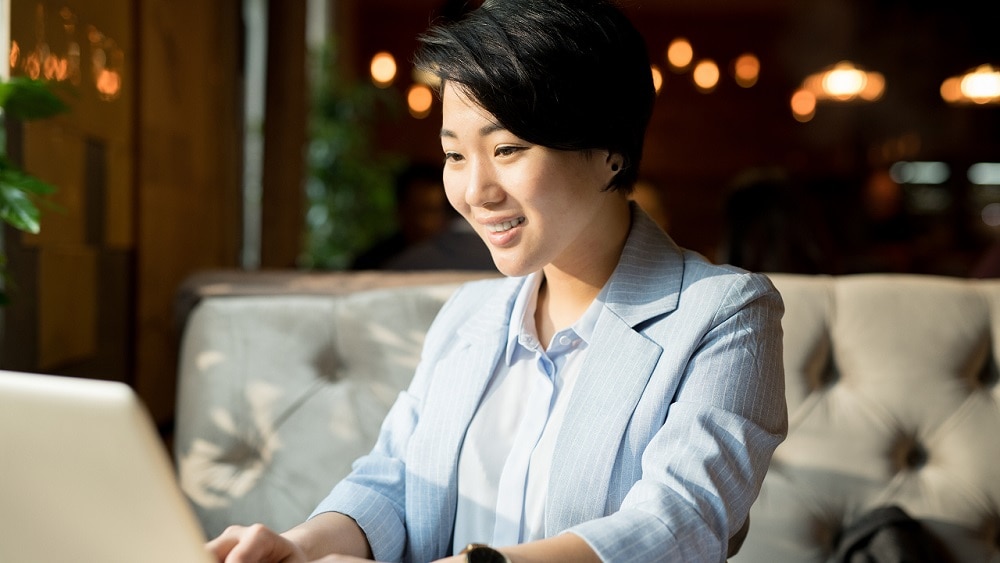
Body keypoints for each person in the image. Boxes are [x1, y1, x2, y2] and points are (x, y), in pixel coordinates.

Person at [207, 1, 787, 561]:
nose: (476, 192)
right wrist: (302, 544)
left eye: (507, 148)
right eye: (454, 155)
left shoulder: (724, 314)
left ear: (609, 149)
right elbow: (396, 481)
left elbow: (677, 524)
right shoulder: (469, 314)